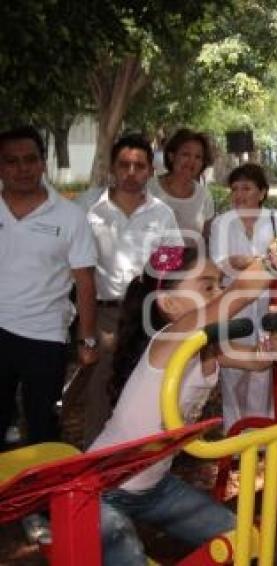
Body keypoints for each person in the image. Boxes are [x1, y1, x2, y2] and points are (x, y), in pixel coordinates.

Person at [91, 219, 277, 564]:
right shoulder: (170, 339)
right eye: (207, 287)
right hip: (99, 490)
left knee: (245, 541)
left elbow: (259, 360)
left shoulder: (208, 347)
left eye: (218, 284)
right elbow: (240, 295)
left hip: (154, 487)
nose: (219, 293)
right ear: (170, 304)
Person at [73, 134, 182, 447]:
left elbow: (171, 265)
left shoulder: (162, 214)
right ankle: (94, 468)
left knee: (144, 393)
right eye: (124, 165)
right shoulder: (87, 207)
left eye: (139, 166)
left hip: (146, 316)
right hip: (102, 312)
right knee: (99, 393)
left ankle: (137, 467)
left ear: (149, 170)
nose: (131, 172)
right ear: (112, 168)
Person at [0, 126, 98, 451]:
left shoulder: (70, 217)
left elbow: (84, 282)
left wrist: (88, 340)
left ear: (43, 163)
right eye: (11, 161)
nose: (22, 168)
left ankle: (43, 501)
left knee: (43, 426)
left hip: (45, 336)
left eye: (30, 159)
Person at [209, 164, 277, 432]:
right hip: (234, 304)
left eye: (247, 188)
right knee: (232, 371)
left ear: (262, 192)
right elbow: (216, 265)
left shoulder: (275, 219)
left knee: (263, 369)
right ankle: (235, 432)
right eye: (235, 189)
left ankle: (261, 434)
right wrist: (236, 262)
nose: (239, 195)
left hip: (266, 304)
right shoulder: (222, 222)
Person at [147, 128, 216, 244]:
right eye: (186, 154)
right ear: (171, 156)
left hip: (193, 261)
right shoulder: (148, 189)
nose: (191, 161)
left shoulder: (204, 196)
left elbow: (208, 239)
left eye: (198, 157)